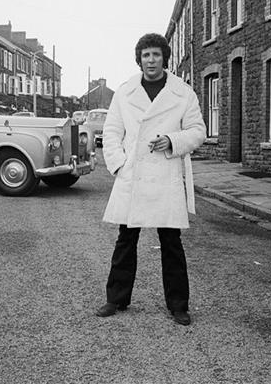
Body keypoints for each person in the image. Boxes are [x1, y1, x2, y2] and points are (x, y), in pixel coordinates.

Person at [95, 33, 206, 325]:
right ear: (139, 59)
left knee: (171, 242)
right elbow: (112, 132)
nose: (151, 60)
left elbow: (197, 131)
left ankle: (179, 305)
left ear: (164, 58)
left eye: (156, 55)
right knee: (126, 239)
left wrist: (172, 140)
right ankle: (115, 299)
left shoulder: (182, 92)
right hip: (133, 173)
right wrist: (119, 165)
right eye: (146, 55)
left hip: (166, 173)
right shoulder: (126, 92)